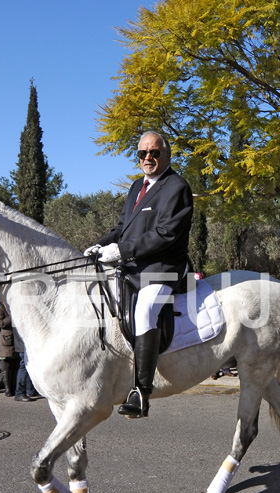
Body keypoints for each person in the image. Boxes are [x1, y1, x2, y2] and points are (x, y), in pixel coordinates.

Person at [83, 131, 193, 418]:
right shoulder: (136, 187)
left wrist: (121, 251)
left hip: (164, 268)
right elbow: (122, 228)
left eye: (154, 153)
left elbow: (165, 234)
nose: (147, 158)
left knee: (144, 310)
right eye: (142, 154)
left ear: (166, 155)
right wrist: (101, 244)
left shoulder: (177, 187)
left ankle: (141, 392)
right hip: (136, 266)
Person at [0, 301, 20, 397]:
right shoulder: (1, 308)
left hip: (16, 339)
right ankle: (8, 389)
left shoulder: (17, 307)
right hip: (6, 340)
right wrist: (12, 316)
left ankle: (14, 388)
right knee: (6, 367)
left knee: (15, 366)